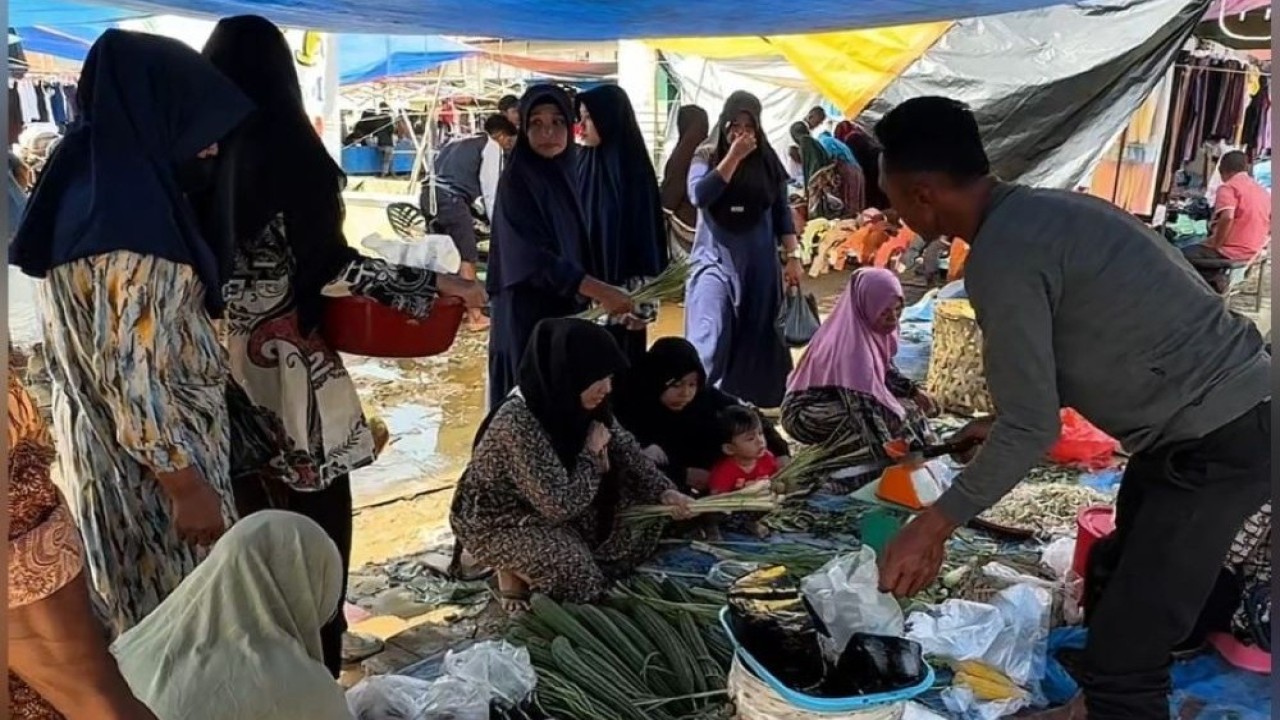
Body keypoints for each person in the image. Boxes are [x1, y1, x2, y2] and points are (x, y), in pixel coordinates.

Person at [872, 96, 1270, 720]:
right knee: (1116, 564)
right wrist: (1001, 422)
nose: (888, 208)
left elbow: (1033, 428)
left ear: (921, 193)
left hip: (1220, 434)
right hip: (1204, 423)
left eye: (890, 193)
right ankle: (1091, 705)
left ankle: (1117, 698)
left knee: (1128, 649)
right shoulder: (1049, 209)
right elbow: (1089, 342)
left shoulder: (1001, 256)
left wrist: (933, 525)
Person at [199, 15, 485, 674]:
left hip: (216, 368)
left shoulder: (197, 158)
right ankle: (319, 667)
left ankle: (261, 665)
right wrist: (441, 285)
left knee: (248, 523)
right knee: (316, 527)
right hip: (290, 371)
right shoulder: (292, 152)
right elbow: (333, 266)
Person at [9, 29, 252, 638]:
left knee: (134, 618)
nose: (211, 146)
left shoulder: (83, 189)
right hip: (162, 475)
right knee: (186, 627)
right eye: (198, 123)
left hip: (99, 452)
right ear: (158, 110)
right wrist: (186, 484)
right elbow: (132, 372)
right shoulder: (139, 229)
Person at [8, 352, 354, 720]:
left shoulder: (146, 641)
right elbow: (68, 666)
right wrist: (184, 484)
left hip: (105, 456)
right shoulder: (301, 689)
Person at [450, 319, 694, 610]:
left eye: (609, 377)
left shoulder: (585, 402)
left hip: (558, 501)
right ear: (570, 372)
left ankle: (534, 566)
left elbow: (627, 450)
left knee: (645, 518)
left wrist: (665, 492)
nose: (607, 387)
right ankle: (511, 570)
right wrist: (591, 455)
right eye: (597, 377)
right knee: (579, 576)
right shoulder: (517, 421)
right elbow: (560, 505)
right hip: (503, 521)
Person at [485, 85, 635, 410]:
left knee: (567, 402)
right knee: (533, 403)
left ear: (570, 126)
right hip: (528, 317)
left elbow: (577, 248)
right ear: (523, 129)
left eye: (557, 122)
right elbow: (532, 258)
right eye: (536, 123)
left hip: (563, 311)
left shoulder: (567, 174)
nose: (547, 132)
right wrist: (602, 291)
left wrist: (608, 305)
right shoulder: (517, 181)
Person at [685, 91, 803, 409]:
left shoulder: (767, 160)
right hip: (715, 262)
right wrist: (733, 158)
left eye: (748, 125)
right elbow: (699, 194)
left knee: (756, 338)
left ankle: (744, 411)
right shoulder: (706, 155)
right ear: (723, 123)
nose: (741, 131)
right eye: (734, 123)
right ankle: (700, 402)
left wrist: (793, 257)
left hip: (759, 265)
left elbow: (781, 212)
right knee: (712, 332)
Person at [781, 268, 937, 476]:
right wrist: (896, 457)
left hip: (840, 400)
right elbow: (864, 411)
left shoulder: (870, 327)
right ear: (867, 307)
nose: (893, 318)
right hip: (805, 413)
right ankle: (828, 466)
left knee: (904, 409)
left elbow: (884, 372)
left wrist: (913, 392)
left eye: (898, 309)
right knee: (889, 418)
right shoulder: (850, 348)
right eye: (884, 311)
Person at [613, 336, 789, 494]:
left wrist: (779, 451)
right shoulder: (632, 409)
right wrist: (681, 475)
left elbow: (749, 416)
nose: (685, 393)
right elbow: (623, 462)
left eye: (692, 384)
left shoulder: (705, 397)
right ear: (656, 381)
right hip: (664, 491)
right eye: (676, 385)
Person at [576, 85, 668, 363]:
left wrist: (644, 307)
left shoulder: (634, 172)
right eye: (580, 117)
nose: (581, 126)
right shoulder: (580, 164)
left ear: (609, 119)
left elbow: (648, 241)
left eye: (588, 118)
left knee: (622, 369)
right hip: (586, 296)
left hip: (626, 303)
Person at [424, 112, 518, 331]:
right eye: (509, 142)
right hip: (451, 200)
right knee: (467, 257)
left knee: (443, 256)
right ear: (502, 136)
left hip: (429, 196)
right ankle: (475, 317)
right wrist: (498, 225)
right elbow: (490, 190)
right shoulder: (491, 146)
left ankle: (444, 311)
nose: (507, 148)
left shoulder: (456, 139)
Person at [1182, 150, 1271, 291]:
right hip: (1254, 250)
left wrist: (1217, 243)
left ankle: (1212, 283)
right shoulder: (1262, 192)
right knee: (1198, 252)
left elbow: (1227, 217)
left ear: (1222, 170)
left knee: (1180, 256)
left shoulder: (1228, 187)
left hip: (1231, 251)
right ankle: (1213, 281)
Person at [660, 105, 710, 232]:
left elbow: (671, 194)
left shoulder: (683, 154)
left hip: (686, 226)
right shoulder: (712, 150)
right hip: (710, 226)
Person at [835, 120, 890, 210]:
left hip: (871, 171)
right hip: (880, 166)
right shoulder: (861, 135)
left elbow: (860, 159)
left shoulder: (851, 139)